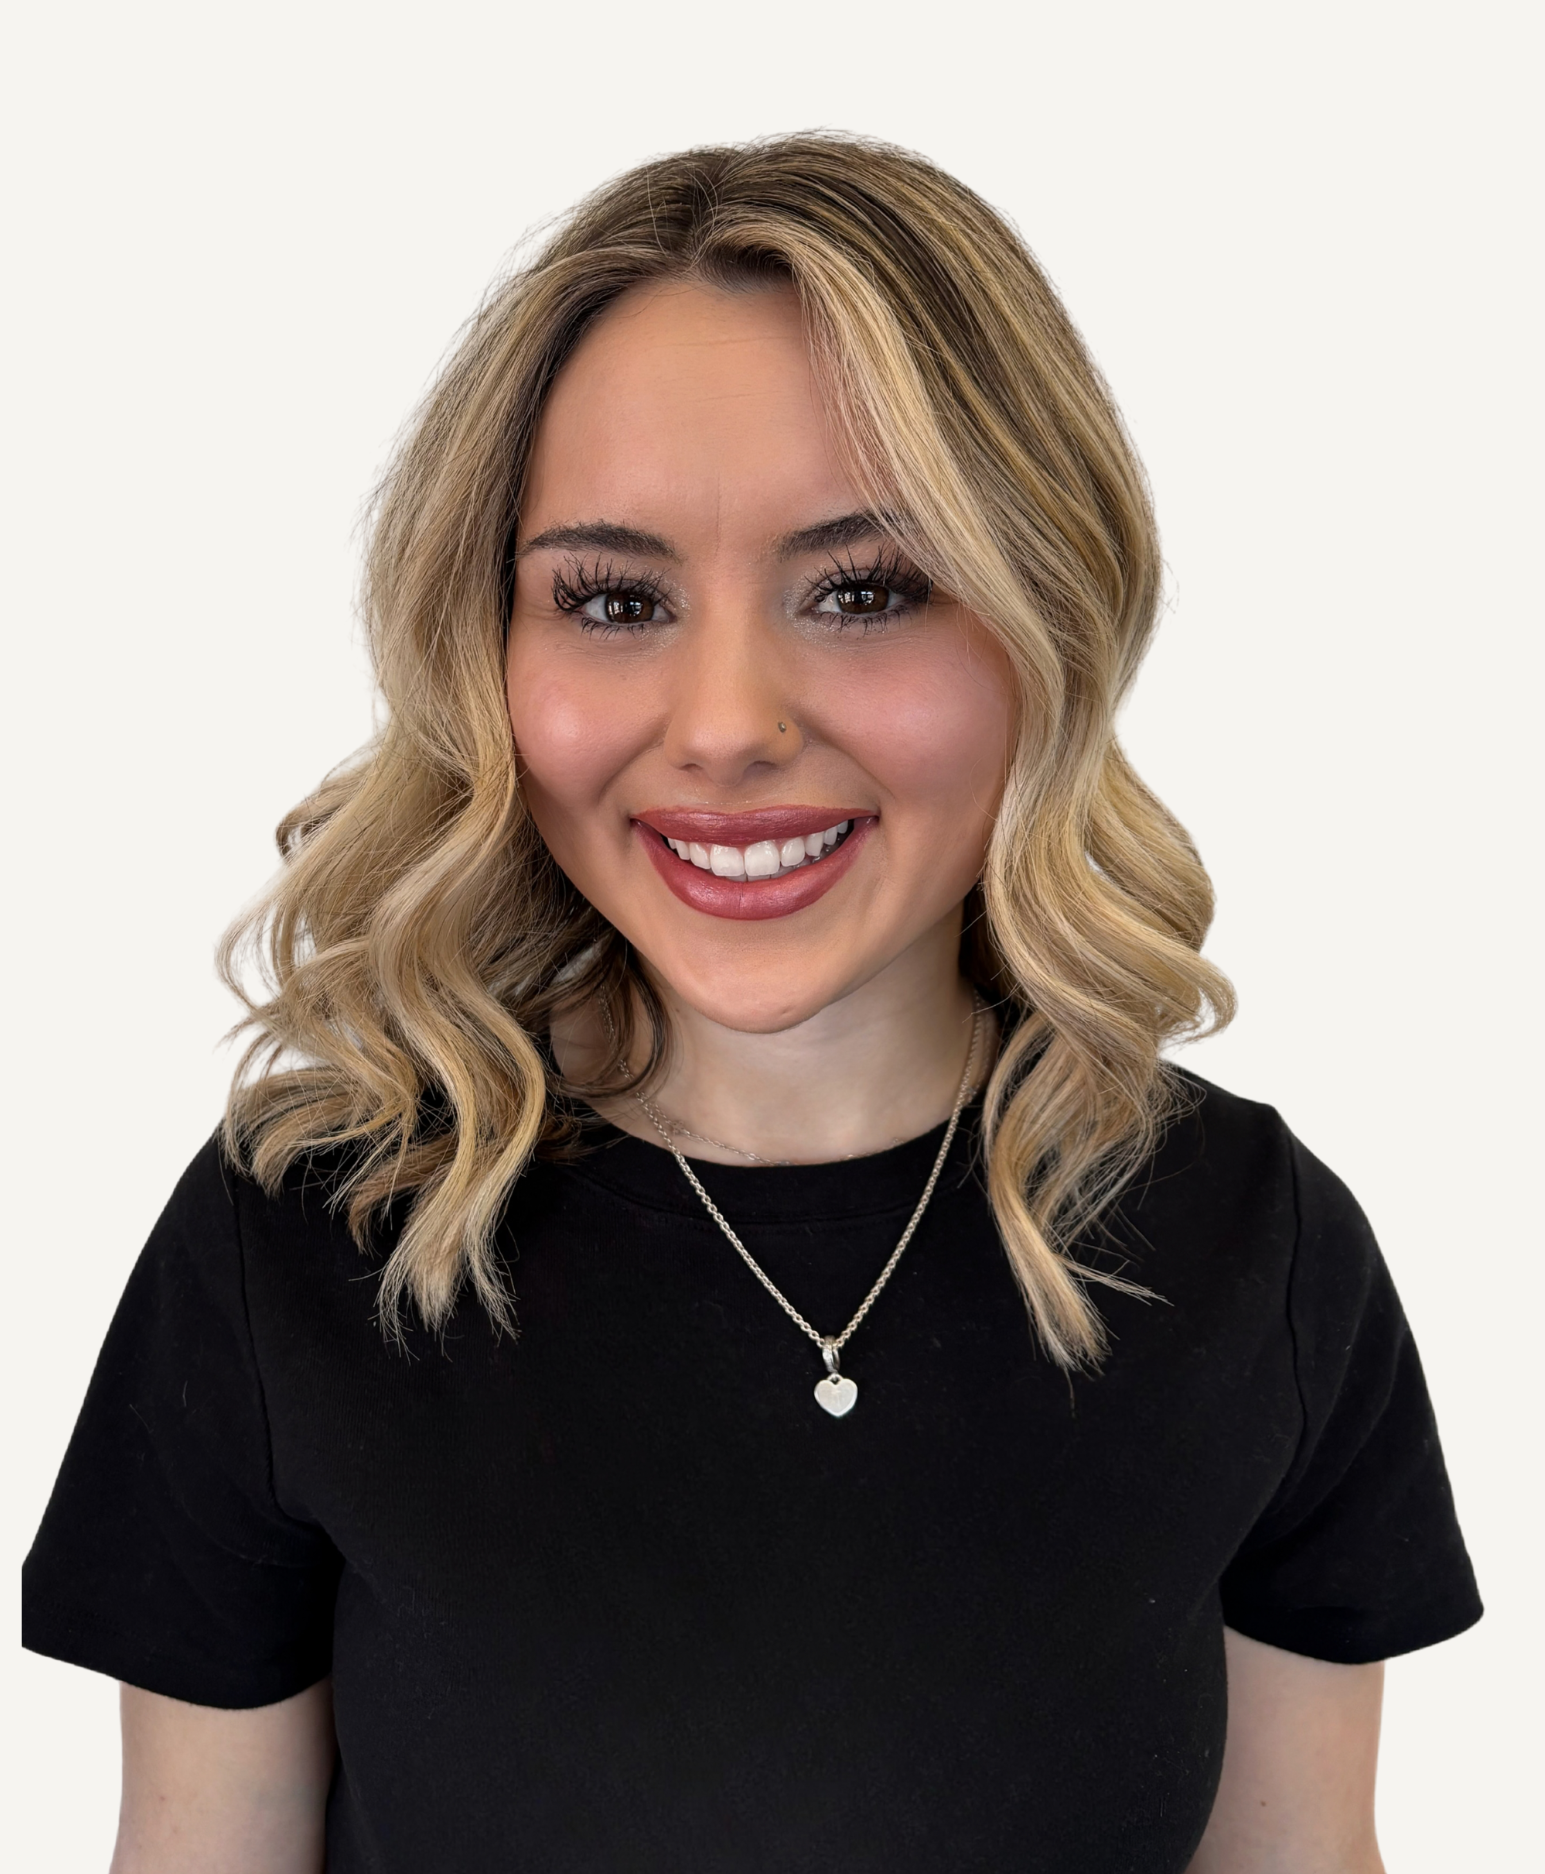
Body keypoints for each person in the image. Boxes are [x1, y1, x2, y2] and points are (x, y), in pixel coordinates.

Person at [23, 134, 1480, 1874]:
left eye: (862, 591)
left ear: (1048, 618)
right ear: (490, 651)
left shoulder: (1264, 1258)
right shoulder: (306, 1241)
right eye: (613, 599)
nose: (724, 724)